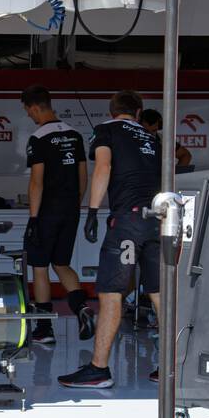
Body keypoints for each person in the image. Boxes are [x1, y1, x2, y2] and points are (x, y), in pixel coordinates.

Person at [59, 90, 162, 389]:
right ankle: (173, 367)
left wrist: (92, 210)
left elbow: (103, 167)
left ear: (112, 110)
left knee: (111, 292)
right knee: (160, 295)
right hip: (157, 219)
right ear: (139, 112)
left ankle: (99, 369)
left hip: (127, 222)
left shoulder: (106, 130)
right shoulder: (152, 138)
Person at [19, 84, 95, 345]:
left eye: (29, 112)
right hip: (70, 209)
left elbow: (36, 182)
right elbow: (83, 176)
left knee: (39, 267)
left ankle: (44, 329)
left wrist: (33, 217)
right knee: (61, 264)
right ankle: (82, 308)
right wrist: (75, 203)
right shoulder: (75, 135)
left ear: (35, 107)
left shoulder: (38, 137)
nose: (30, 116)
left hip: (47, 211)